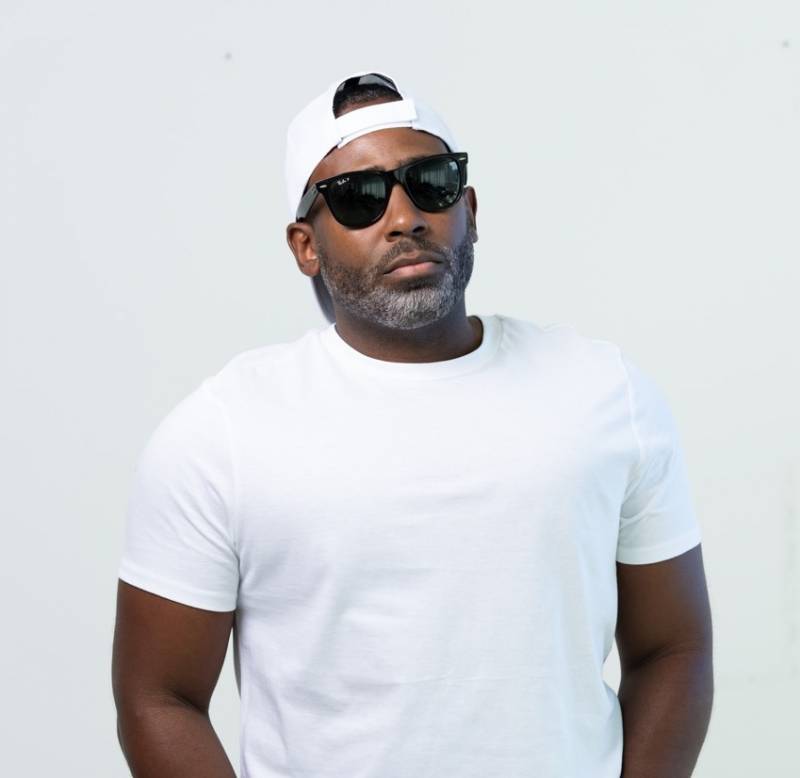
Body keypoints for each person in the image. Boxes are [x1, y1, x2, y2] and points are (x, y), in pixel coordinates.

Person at [112, 70, 713, 778]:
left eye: (431, 183)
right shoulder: (223, 434)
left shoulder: (606, 395)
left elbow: (674, 649)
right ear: (305, 245)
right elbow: (158, 697)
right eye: (359, 198)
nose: (405, 218)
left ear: (471, 210)